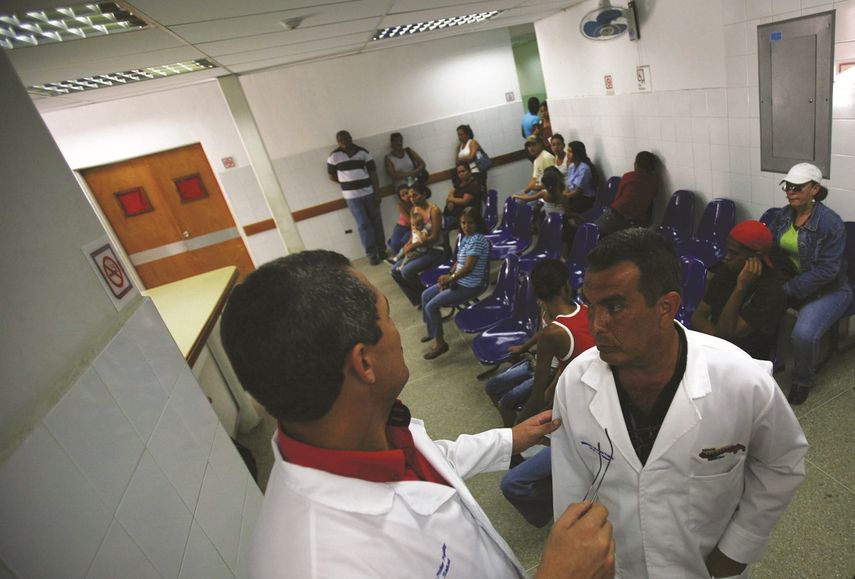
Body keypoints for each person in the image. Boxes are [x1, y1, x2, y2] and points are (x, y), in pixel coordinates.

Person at [219, 249, 616, 579]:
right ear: (365, 363)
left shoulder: (370, 429)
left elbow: (432, 457)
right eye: (389, 317)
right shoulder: (323, 564)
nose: (398, 332)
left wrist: (512, 437)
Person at [550, 228, 807, 579]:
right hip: (620, 565)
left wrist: (741, 545)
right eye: (591, 306)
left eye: (614, 306)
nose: (596, 326)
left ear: (666, 307)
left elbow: (782, 463)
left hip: (706, 567)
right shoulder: (576, 383)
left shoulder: (741, 379)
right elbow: (570, 481)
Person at [489, 259, 595, 528]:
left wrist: (517, 428)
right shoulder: (587, 312)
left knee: (512, 483)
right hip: (594, 400)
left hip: (578, 419)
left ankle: (564, 502)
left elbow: (537, 398)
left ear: (538, 295)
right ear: (566, 286)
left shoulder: (553, 333)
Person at [768, 162, 852, 404]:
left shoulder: (830, 223)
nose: (790, 192)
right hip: (795, 281)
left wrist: (789, 289)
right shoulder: (785, 214)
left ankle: (802, 380)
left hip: (831, 290)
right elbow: (773, 246)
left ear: (814, 189)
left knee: (803, 335)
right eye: (788, 187)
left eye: (797, 188)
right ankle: (773, 360)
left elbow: (827, 271)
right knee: (762, 308)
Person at [691, 220, 792, 360]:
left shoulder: (771, 292)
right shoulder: (727, 271)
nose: (727, 257)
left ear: (755, 257)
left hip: (745, 359)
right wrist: (717, 341)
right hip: (717, 348)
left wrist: (741, 288)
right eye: (728, 250)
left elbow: (726, 333)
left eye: (734, 253)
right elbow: (698, 317)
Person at [421, 207, 490, 360]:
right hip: (459, 280)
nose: (466, 226)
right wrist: (450, 275)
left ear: (477, 223)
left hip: (470, 285)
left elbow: (468, 267)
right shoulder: (465, 237)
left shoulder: (478, 240)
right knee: (425, 295)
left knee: (431, 306)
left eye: (470, 223)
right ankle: (433, 332)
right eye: (463, 222)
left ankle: (440, 344)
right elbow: (460, 261)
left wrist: (451, 279)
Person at [327, 130, 386, 265]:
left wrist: (377, 192)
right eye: (340, 140)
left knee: (376, 221)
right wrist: (346, 183)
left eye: (346, 138)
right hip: (351, 197)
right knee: (363, 224)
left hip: (369, 193)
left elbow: (373, 173)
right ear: (337, 142)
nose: (344, 142)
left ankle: (382, 250)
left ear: (351, 138)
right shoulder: (334, 156)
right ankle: (372, 254)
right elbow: (331, 176)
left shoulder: (363, 152)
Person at [391, 183, 443, 305]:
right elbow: (413, 231)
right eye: (410, 196)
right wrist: (409, 242)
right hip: (419, 248)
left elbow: (435, 237)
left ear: (424, 194)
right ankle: (419, 298)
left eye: (415, 195)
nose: (412, 199)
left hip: (434, 249)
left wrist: (414, 246)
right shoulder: (414, 209)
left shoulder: (434, 210)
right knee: (394, 270)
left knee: (406, 271)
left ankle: (428, 295)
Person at [595, 151, 659, 236]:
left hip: (617, 214)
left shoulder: (629, 177)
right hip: (637, 221)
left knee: (593, 231)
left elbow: (618, 197)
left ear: (636, 164)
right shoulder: (654, 182)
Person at [442, 162, 483, 255]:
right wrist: (450, 201)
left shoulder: (474, 184)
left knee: (444, 226)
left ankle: (449, 254)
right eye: (459, 172)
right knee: (442, 225)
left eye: (463, 171)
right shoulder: (458, 183)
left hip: (468, 215)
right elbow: (450, 194)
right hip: (456, 214)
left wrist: (451, 200)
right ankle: (446, 252)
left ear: (469, 171)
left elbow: (464, 201)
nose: (461, 174)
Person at [563, 140, 598, 216]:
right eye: (567, 151)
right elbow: (568, 187)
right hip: (573, 197)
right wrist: (562, 196)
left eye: (570, 152)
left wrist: (562, 198)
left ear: (577, 154)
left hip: (584, 199)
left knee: (564, 211)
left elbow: (577, 193)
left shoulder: (584, 169)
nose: (567, 154)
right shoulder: (572, 166)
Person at [456, 124, 487, 191]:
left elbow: (471, 157)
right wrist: (465, 159)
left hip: (477, 171)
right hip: (467, 175)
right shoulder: (459, 147)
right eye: (458, 135)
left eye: (462, 134)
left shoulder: (472, 142)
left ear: (467, 134)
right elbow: (457, 161)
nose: (460, 137)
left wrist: (462, 159)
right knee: (471, 195)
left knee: (481, 192)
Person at [387, 184, 412, 256]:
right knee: (395, 244)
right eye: (403, 196)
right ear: (400, 198)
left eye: (407, 193)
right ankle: (392, 243)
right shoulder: (400, 205)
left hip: (411, 227)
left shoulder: (416, 201)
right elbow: (408, 220)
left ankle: (392, 244)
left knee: (403, 241)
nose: (406, 196)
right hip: (400, 227)